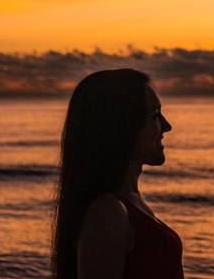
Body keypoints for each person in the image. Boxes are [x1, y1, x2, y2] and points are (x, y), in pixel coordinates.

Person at [51, 68, 183, 279]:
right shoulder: (108, 212)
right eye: (155, 115)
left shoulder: (128, 204)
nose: (167, 126)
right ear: (123, 126)